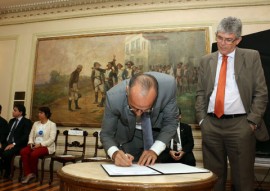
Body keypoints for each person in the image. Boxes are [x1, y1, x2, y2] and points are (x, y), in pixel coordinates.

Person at [195, 16, 268, 191]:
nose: (223, 44)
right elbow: (200, 93)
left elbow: (261, 92)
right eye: (219, 38)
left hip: (240, 125)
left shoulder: (251, 57)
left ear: (238, 40)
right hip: (211, 125)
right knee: (213, 178)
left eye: (228, 40)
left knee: (243, 179)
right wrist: (202, 120)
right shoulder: (206, 60)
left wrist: (251, 122)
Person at [100, 72, 178, 167]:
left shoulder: (168, 87)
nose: (139, 114)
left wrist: (155, 150)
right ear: (127, 91)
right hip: (128, 136)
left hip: (156, 133)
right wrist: (114, 153)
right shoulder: (113, 97)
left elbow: (170, 123)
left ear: (157, 95)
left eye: (147, 109)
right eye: (134, 108)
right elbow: (106, 133)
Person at [20, 106, 57, 184]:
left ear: (46, 114)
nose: (39, 114)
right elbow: (31, 135)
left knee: (34, 154)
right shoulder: (36, 124)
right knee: (23, 151)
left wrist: (40, 145)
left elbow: (51, 139)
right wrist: (30, 142)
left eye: (41, 113)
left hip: (46, 146)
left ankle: (34, 174)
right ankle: (29, 174)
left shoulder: (52, 125)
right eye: (39, 112)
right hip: (34, 145)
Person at [1, 104, 32, 179]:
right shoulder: (11, 121)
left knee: (6, 153)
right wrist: (1, 142)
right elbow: (6, 133)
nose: (13, 112)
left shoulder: (26, 122)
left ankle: (7, 172)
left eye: (15, 110)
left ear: (20, 112)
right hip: (7, 143)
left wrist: (14, 144)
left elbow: (25, 137)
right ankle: (5, 167)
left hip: (18, 145)